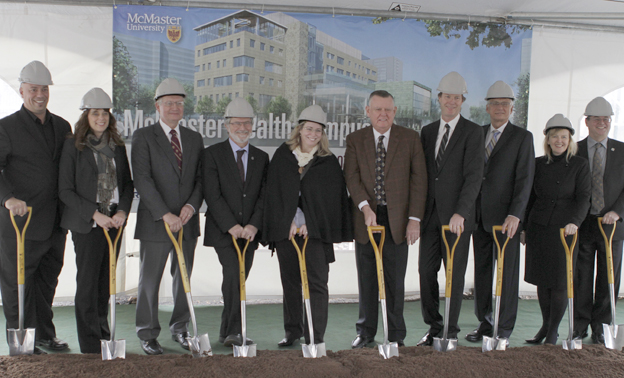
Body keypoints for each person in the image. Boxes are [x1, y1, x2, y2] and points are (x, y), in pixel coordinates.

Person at [264, 105, 353, 347]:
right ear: (300, 129)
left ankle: (315, 336)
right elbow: (273, 194)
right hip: (288, 232)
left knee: (316, 283)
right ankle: (292, 331)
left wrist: (312, 225)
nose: (313, 134)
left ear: (323, 134)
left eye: (318, 130)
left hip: (315, 234)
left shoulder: (328, 162)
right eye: (309, 129)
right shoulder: (283, 155)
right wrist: (287, 222)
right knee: (291, 283)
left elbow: (334, 201)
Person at [344, 90, 427, 348]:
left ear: (395, 112)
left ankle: (395, 336)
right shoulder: (355, 140)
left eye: (388, 110)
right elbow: (352, 177)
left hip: (399, 220)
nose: (383, 114)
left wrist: (414, 220)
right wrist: (365, 207)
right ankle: (366, 333)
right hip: (366, 218)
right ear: (368, 111)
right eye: (378, 109)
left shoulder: (411, 138)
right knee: (367, 278)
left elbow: (419, 181)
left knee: (394, 280)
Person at [0, 61, 71, 354]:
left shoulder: (63, 126)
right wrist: (7, 198)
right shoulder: (6, 127)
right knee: (18, 284)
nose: (39, 94)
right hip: (21, 222)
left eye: (44, 89)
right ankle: (20, 341)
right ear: (22, 91)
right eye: (33, 89)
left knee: (46, 282)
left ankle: (44, 335)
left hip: (55, 221)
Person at [131, 78, 204, 355]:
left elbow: (200, 179)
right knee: (149, 281)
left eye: (179, 103)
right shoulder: (143, 137)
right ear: (157, 106)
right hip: (156, 223)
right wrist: (165, 213)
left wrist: (190, 207)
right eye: (169, 103)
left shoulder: (195, 138)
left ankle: (181, 329)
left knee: (183, 279)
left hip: (187, 222)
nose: (175, 108)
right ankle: (147, 333)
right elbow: (143, 180)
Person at [58, 88, 133, 353]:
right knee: (88, 282)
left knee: (105, 282)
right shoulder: (73, 145)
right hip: (88, 223)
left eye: (105, 113)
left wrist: (122, 211)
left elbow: (127, 184)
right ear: (86, 116)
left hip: (114, 222)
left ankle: (104, 335)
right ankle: (90, 345)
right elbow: (65, 190)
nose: (100, 118)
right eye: (95, 113)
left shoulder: (118, 145)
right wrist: (96, 214)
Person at [417, 72, 484, 346]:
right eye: (447, 97)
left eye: (457, 98)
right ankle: (434, 327)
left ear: (462, 100)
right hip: (429, 217)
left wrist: (461, 212)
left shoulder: (473, 132)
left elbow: (473, 177)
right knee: (425, 272)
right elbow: (422, 175)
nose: (452, 102)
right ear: (439, 98)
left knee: (454, 276)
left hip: (456, 220)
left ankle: (451, 331)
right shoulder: (428, 131)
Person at [465, 81, 535, 343]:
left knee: (506, 276)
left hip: (507, 221)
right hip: (478, 217)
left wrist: (515, 214)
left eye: (505, 104)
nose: (500, 108)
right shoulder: (476, 133)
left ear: (512, 108)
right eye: (495, 103)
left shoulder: (522, 137)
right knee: (482, 274)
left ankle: (503, 330)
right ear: (487, 107)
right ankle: (485, 324)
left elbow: (525, 180)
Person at [202, 98, 269, 347]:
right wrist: (232, 225)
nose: (242, 127)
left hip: (250, 232)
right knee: (233, 274)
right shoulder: (212, 154)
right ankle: (234, 331)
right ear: (227, 125)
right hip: (224, 230)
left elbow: (264, 195)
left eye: (247, 122)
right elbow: (212, 193)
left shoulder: (261, 158)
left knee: (240, 277)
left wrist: (252, 225)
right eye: (237, 122)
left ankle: (228, 331)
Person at [524, 114, 591, 345]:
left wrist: (575, 221)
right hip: (538, 227)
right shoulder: (538, 163)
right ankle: (544, 327)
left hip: (565, 231)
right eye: (555, 137)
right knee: (543, 281)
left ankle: (553, 332)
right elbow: (529, 196)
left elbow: (584, 198)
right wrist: (524, 227)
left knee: (561, 281)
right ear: (548, 140)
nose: (559, 141)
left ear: (570, 139)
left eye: (564, 137)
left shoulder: (580, 164)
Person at [574, 97, 624, 345]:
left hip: (612, 225)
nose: (602, 123)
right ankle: (580, 325)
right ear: (587, 122)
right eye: (597, 119)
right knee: (582, 276)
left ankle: (602, 327)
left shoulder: (623, 150)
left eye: (606, 119)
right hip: (583, 223)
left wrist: (617, 211)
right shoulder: (575, 150)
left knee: (608, 277)